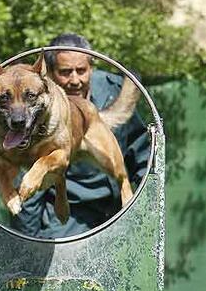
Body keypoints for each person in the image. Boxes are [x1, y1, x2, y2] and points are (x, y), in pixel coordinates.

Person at [10, 33, 150, 238]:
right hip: (70, 215)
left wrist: (145, 202)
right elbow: (26, 186)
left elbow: (140, 150)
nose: (75, 80)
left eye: (81, 71)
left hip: (116, 209)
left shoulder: (112, 89)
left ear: (91, 67)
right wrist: (27, 246)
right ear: (48, 75)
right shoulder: (37, 109)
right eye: (65, 72)